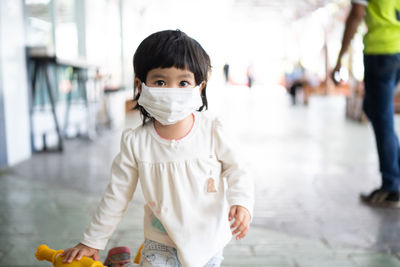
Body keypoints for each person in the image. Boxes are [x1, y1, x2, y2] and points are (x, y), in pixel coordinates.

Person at [60, 30, 254, 267]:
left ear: (200, 87)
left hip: (208, 241)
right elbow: (117, 195)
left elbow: (238, 169)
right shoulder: (136, 142)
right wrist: (92, 241)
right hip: (160, 241)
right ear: (140, 85)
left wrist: (242, 202)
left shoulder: (213, 129)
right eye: (160, 82)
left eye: (183, 82)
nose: (172, 91)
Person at [332, 0, 400, 207]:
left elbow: (355, 15)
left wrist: (340, 58)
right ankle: (394, 172)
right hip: (396, 49)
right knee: (374, 110)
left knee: (382, 118)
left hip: (381, 51)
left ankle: (390, 187)